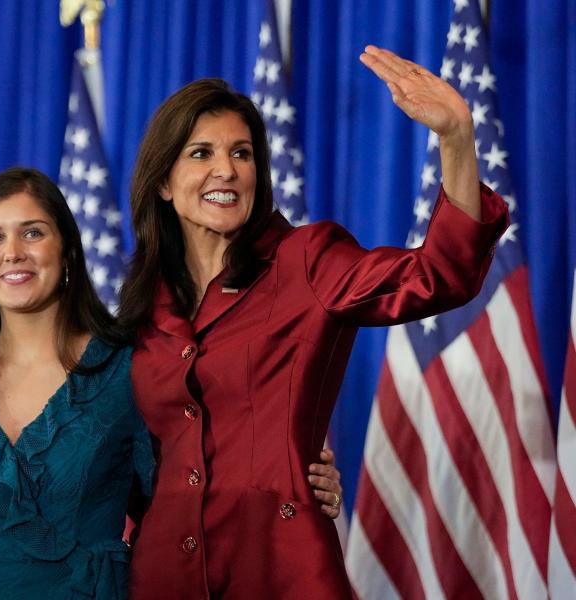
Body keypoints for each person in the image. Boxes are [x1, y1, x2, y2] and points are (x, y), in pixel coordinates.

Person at [118, 47, 509, 598]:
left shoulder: (306, 260)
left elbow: (439, 275)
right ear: (163, 182)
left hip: (281, 568)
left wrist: (457, 139)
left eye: (242, 153)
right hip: (161, 577)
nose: (225, 169)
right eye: (200, 153)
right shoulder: (140, 311)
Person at [0, 168, 344, 599]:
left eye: (32, 233)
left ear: (67, 251)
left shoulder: (128, 365)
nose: (13, 251)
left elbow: (194, 492)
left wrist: (297, 478)